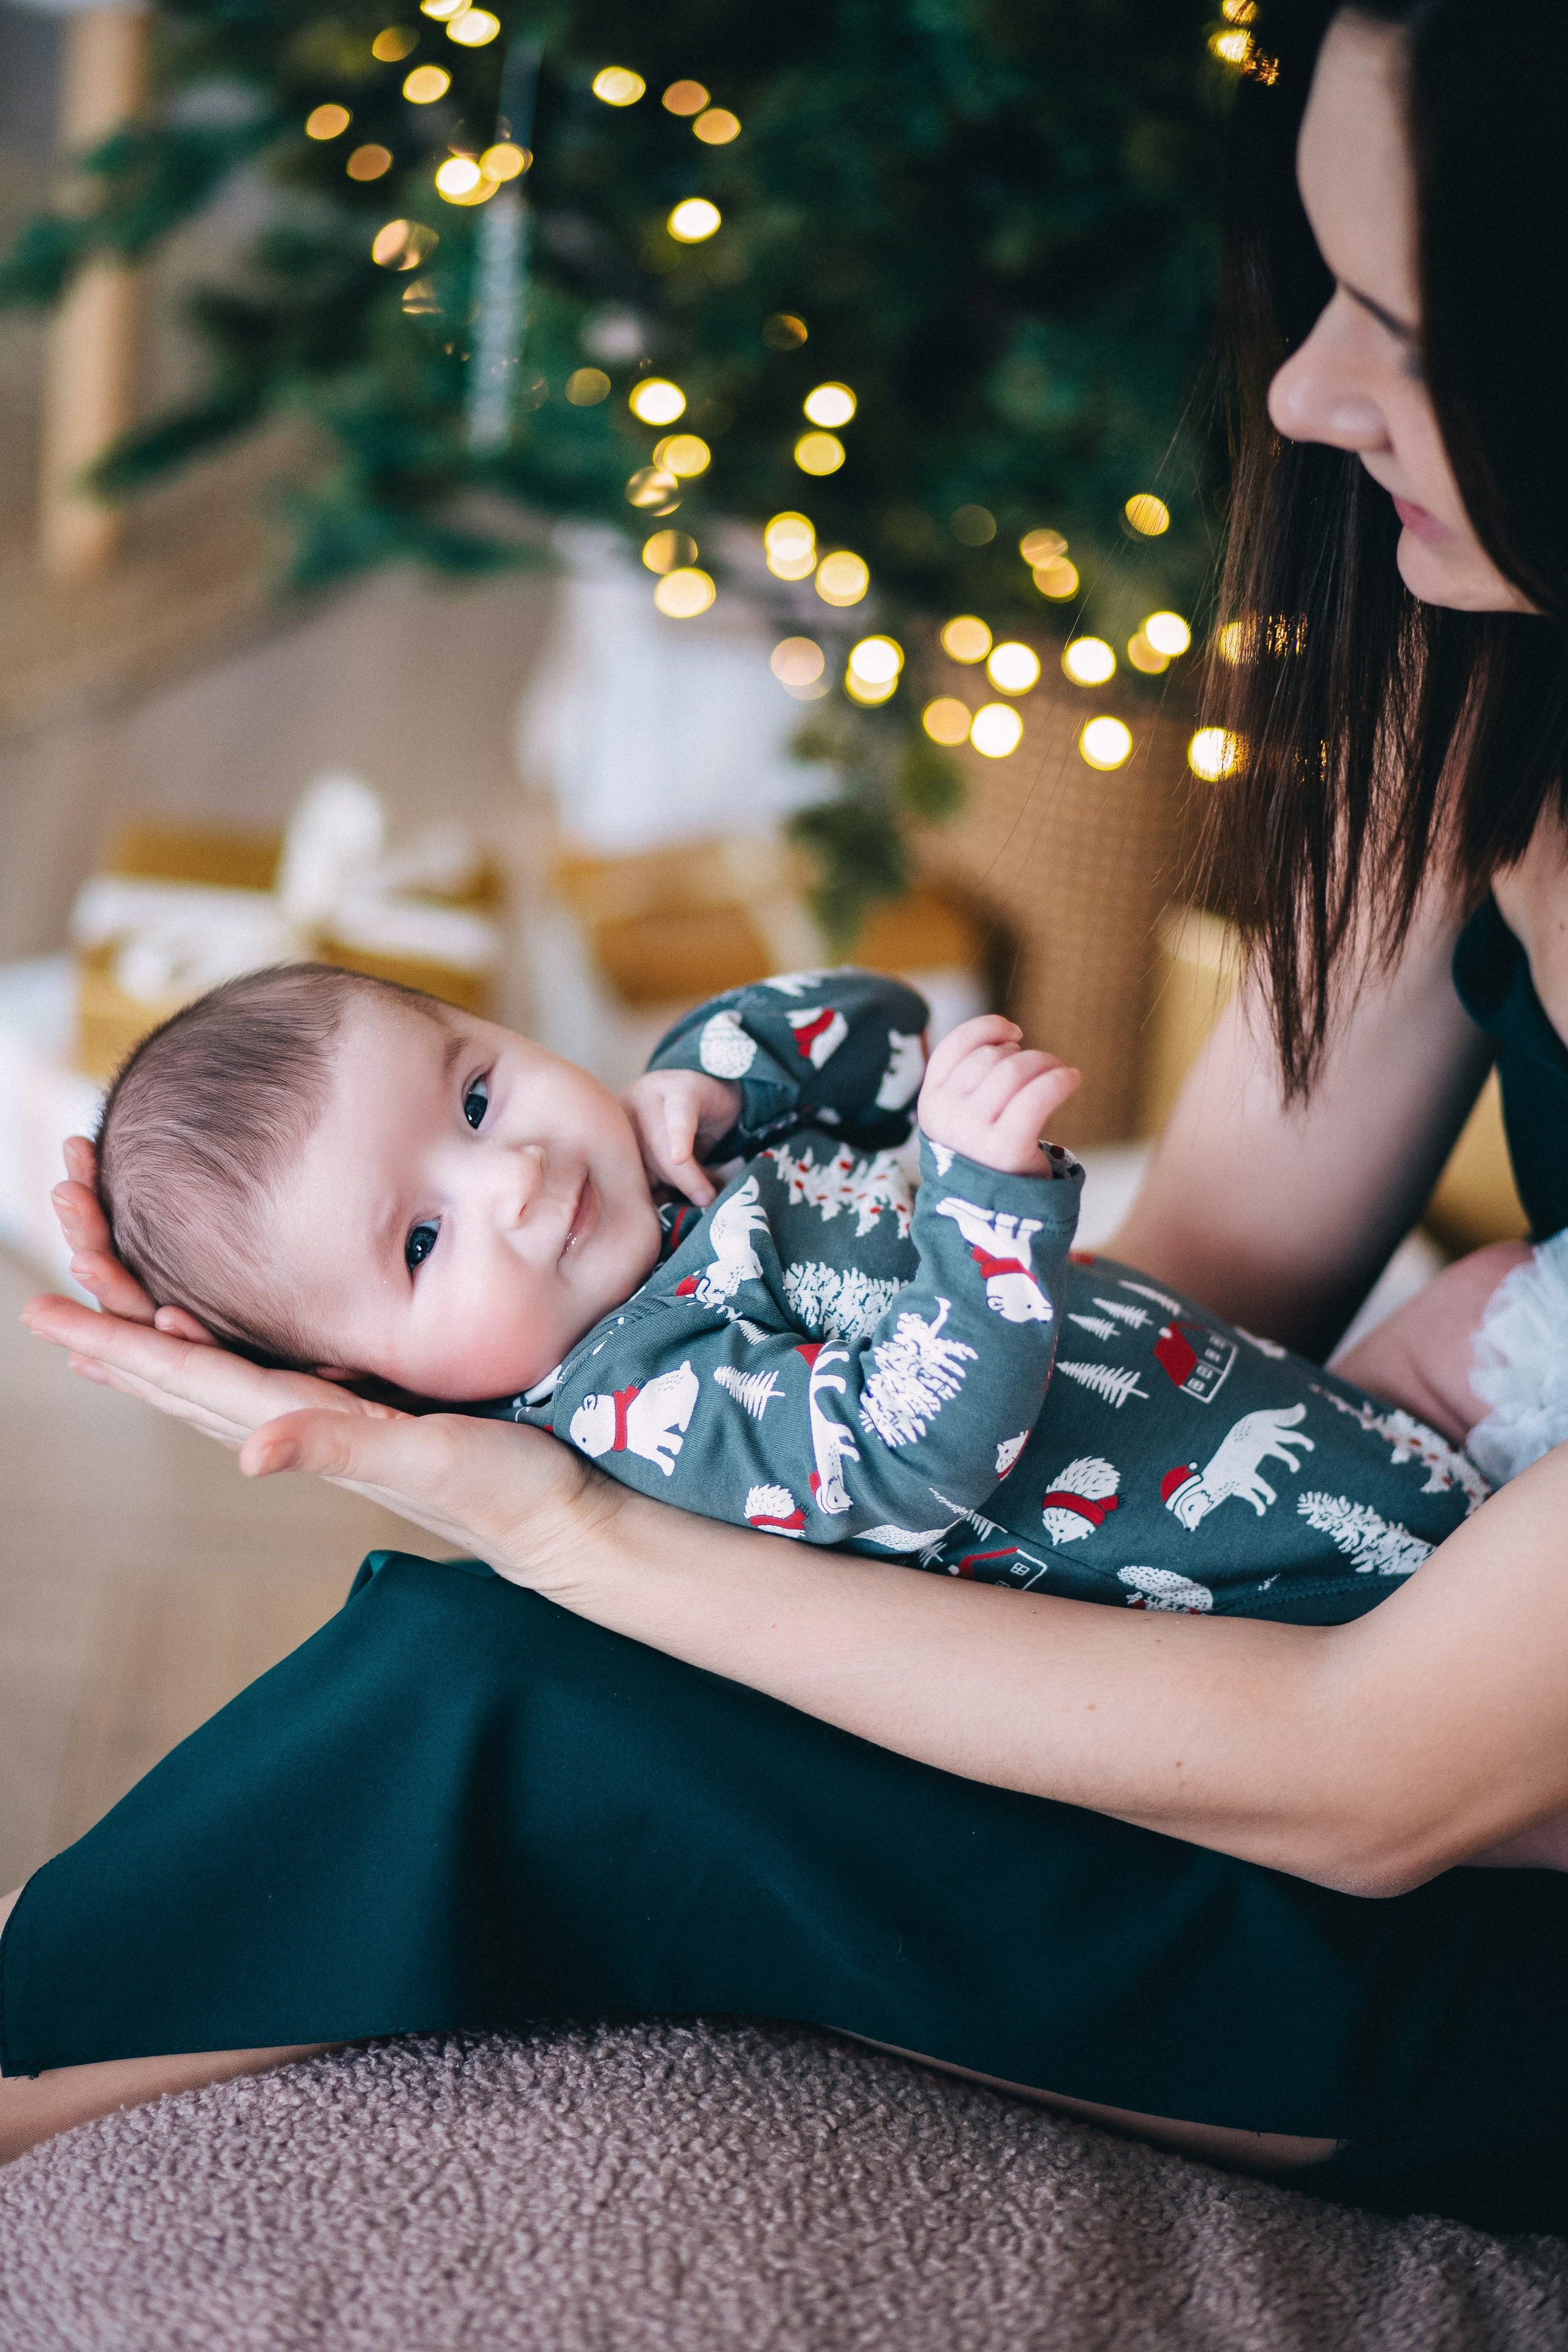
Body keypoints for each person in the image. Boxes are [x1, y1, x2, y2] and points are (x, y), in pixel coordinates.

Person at [7, 0, 1568, 2234]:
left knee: (511, 1687)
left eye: (1398, 330)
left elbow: (1377, 1784)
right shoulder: (1484, 687)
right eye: (1315, 289)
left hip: (1452, 1866)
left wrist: (555, 1513)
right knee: (476, 1660)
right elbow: (1212, 1276)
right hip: (1288, 1609)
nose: (1309, 394)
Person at [92, 956, 1498, 1617]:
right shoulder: (641, 1402)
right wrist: (978, 1198)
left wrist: (720, 1067)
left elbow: (887, 1033)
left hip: (1312, 1400)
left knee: (1490, 1297)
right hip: (1284, 1589)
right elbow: (907, 1457)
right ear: (363, 1378)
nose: (512, 1173)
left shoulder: (681, 1141)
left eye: (474, 1093)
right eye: (418, 1243)